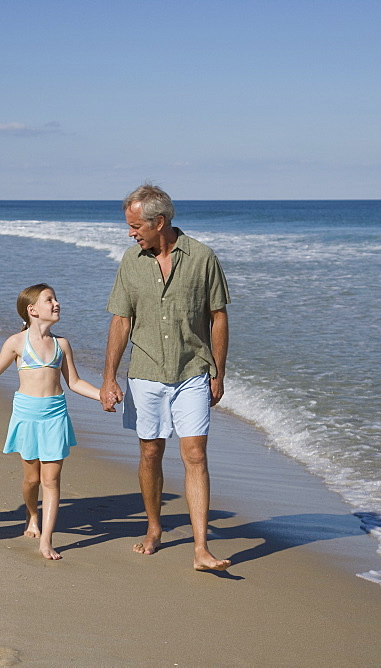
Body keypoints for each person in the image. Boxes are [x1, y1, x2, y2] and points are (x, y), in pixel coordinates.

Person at [101, 184, 231, 571]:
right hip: (145, 373)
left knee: (195, 455)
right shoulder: (131, 260)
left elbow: (218, 316)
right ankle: (154, 528)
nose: (131, 232)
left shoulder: (203, 257)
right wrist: (109, 377)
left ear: (160, 222)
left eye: (136, 225)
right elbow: (121, 320)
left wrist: (218, 372)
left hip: (192, 370)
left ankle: (201, 549)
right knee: (150, 452)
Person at [0, 284, 101, 560]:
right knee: (31, 479)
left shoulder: (62, 344)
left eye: (56, 298)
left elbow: (74, 382)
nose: (57, 303)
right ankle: (32, 513)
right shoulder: (17, 342)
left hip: (55, 415)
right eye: (50, 300)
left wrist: (103, 396)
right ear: (33, 310)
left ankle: (46, 540)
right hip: (26, 415)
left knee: (51, 480)